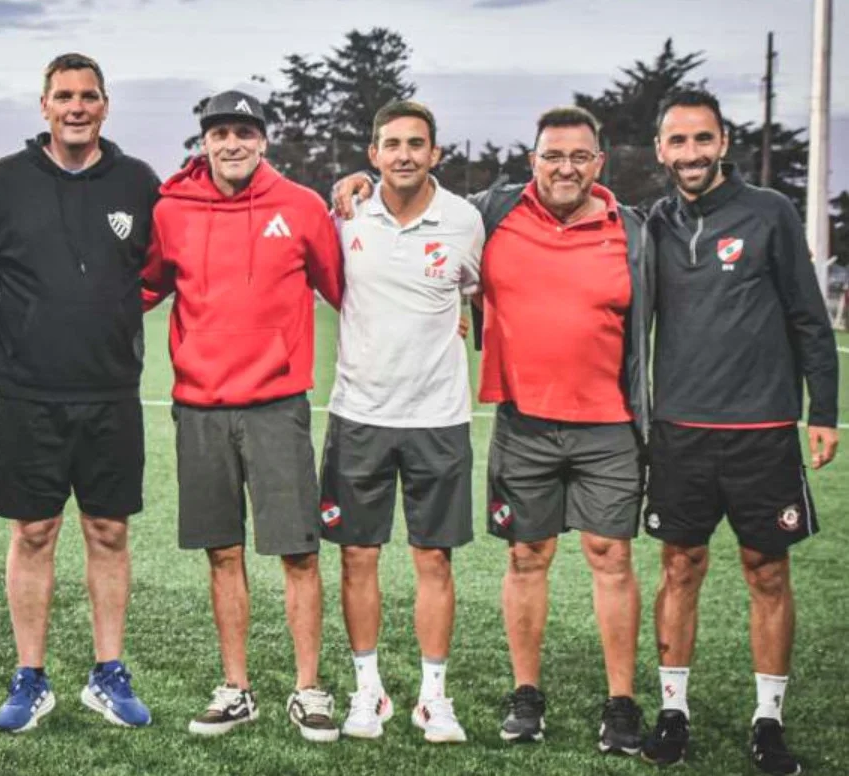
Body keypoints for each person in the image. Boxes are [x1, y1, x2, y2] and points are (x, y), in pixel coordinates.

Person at [334, 104, 651, 755]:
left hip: (602, 422)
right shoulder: (489, 213)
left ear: (600, 162)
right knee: (523, 557)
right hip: (517, 419)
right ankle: (522, 695)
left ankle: (621, 704)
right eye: (552, 155)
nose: (565, 167)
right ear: (531, 160)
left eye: (578, 156)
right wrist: (349, 185)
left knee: (611, 558)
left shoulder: (628, 229)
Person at [641, 89, 838, 776]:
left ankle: (768, 723)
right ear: (661, 149)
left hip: (763, 432)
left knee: (768, 571)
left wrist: (825, 412)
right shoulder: (653, 222)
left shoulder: (771, 213)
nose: (691, 154)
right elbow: (558, 191)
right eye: (678, 142)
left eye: (703, 139)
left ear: (722, 141)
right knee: (679, 568)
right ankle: (673, 712)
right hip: (679, 433)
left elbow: (810, 319)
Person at [142, 90, 343, 742]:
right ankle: (236, 689)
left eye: (244, 132)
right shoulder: (171, 209)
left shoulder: (302, 206)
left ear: (263, 140)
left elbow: (344, 289)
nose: (232, 143)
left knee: (298, 553)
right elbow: (139, 287)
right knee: (221, 554)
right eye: (220, 133)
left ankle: (308, 689)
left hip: (277, 409)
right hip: (200, 409)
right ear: (204, 141)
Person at [0, 53, 159, 733]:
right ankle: (31, 676)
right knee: (33, 531)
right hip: (27, 394)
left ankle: (108, 674)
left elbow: (175, 253)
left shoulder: (139, 181)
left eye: (88, 96)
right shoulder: (3, 182)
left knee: (109, 531)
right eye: (63, 96)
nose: (76, 107)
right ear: (44, 105)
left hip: (111, 391)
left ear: (106, 105)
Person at [320, 100, 482, 744]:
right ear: (373, 154)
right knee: (358, 556)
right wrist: (340, 192)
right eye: (392, 144)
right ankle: (369, 692)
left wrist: (465, 323)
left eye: (417, 143)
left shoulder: (466, 221)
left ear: (435, 153)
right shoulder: (346, 216)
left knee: (433, 559)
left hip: (438, 418)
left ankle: (432, 699)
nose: (405, 154)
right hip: (359, 413)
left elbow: (477, 292)